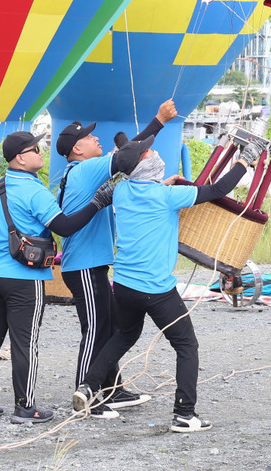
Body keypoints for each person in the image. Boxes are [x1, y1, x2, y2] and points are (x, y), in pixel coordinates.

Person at [73, 136, 248, 433]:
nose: (155, 152)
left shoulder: (123, 190)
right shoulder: (168, 197)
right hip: (156, 290)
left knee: (124, 336)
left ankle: (89, 386)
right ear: (144, 164)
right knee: (186, 345)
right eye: (150, 151)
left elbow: (146, 189)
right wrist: (246, 161)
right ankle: (184, 414)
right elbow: (219, 190)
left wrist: (166, 183)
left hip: (125, 286)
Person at [0, 131, 117, 424]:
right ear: (21, 158)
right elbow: (65, 226)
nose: (41, 152)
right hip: (23, 277)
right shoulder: (36, 191)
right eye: (35, 149)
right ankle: (25, 407)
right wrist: (98, 203)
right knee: (25, 342)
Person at [54, 102, 175, 414]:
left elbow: (126, 154)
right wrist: (158, 121)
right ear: (76, 150)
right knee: (95, 330)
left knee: (107, 328)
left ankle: (114, 389)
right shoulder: (84, 170)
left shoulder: (79, 172)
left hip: (91, 264)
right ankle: (87, 397)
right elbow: (129, 154)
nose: (96, 139)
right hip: (82, 265)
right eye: (89, 138)